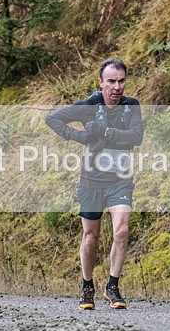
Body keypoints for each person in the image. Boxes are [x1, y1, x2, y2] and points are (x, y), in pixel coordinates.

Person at [45, 59, 144, 310]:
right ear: (100, 83)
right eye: (111, 81)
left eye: (121, 81)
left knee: (121, 230)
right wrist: (77, 136)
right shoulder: (89, 106)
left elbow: (136, 136)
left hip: (120, 181)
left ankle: (113, 286)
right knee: (91, 237)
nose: (117, 86)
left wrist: (105, 131)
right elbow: (53, 119)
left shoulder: (131, 106)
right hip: (91, 181)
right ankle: (87, 285)